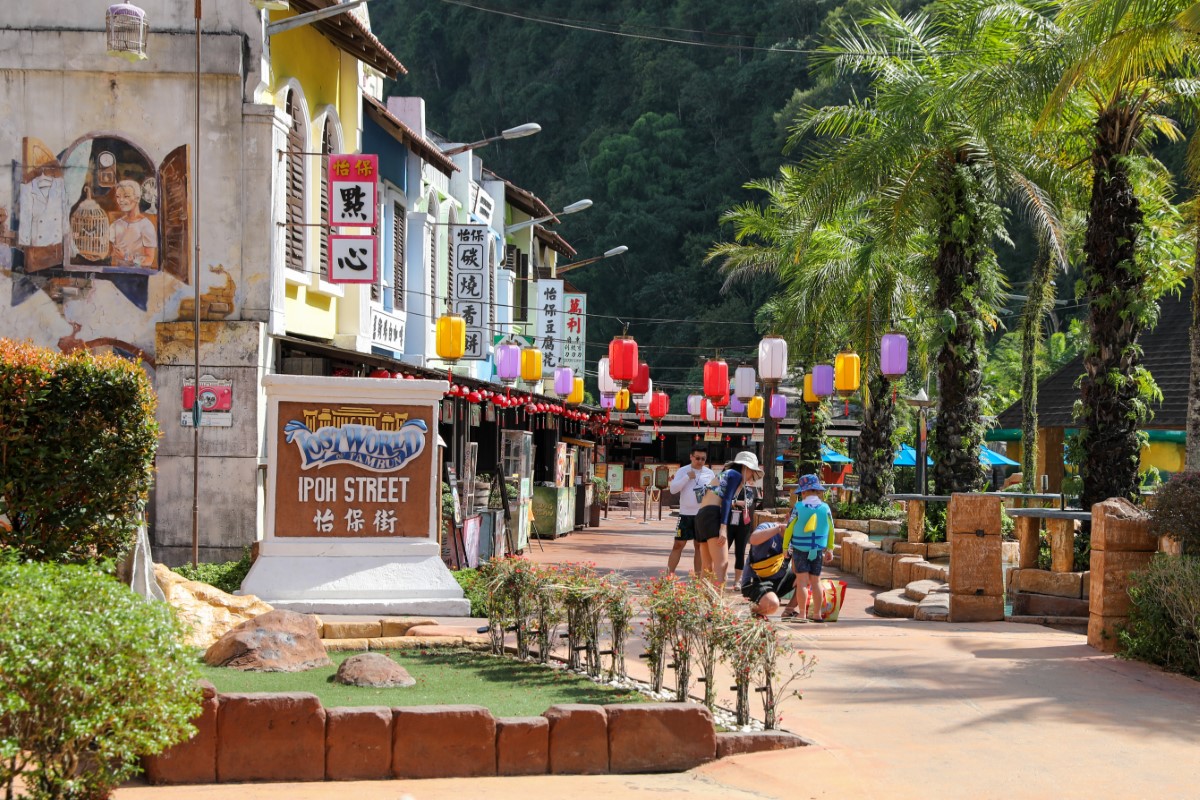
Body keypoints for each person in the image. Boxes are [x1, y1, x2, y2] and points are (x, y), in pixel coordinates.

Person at [694, 451, 764, 587]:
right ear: (746, 467)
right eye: (752, 473)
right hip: (713, 515)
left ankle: (702, 604)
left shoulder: (725, 474)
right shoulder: (736, 475)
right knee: (722, 566)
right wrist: (723, 528)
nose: (751, 477)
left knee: (707, 566)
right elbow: (726, 500)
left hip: (701, 516)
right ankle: (716, 605)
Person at [781, 473, 835, 622]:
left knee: (802, 582)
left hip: (800, 549)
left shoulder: (799, 507)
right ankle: (817, 614)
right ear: (817, 491)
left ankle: (802, 614)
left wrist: (785, 547)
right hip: (817, 550)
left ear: (803, 492)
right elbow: (831, 529)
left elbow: (789, 529)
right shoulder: (825, 508)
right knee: (816, 582)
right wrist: (830, 549)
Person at [666, 445, 714, 577]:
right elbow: (673, 490)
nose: (700, 461)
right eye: (697, 458)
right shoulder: (683, 471)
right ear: (691, 457)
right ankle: (669, 576)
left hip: (702, 514)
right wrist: (686, 477)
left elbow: (714, 492)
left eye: (703, 459)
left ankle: (698, 578)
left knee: (699, 547)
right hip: (685, 514)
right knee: (678, 545)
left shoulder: (709, 473)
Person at [740, 521, 797, 618]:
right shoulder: (768, 527)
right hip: (756, 581)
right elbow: (753, 539)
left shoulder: (797, 538)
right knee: (772, 604)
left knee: (807, 577)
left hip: (779, 580)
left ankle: (789, 610)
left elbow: (798, 569)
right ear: (787, 517)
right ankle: (757, 609)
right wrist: (778, 528)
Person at [109, 179, 157, 268]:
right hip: (118, 273)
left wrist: (126, 257)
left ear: (137, 198)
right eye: (118, 196)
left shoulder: (146, 225)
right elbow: (110, 253)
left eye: (126, 196)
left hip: (139, 276)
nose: (121, 200)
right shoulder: (115, 225)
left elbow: (149, 260)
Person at [726, 477, 759, 581]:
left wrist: (733, 502)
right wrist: (735, 502)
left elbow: (747, 503)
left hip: (743, 524)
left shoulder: (748, 490)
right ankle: (722, 575)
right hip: (728, 523)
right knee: (723, 550)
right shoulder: (728, 489)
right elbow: (724, 502)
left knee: (740, 552)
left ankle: (737, 581)